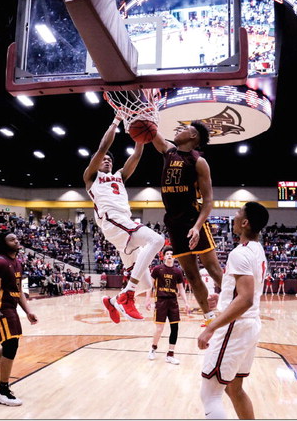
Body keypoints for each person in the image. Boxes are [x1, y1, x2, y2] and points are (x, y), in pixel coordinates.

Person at [83, 114, 164, 322]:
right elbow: (102, 148)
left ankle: (112, 301)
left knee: (146, 283)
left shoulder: (119, 176)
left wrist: (142, 129)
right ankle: (128, 295)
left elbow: (137, 155)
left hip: (124, 226)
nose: (107, 160)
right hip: (114, 222)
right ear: (96, 162)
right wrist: (117, 120)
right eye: (104, 159)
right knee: (157, 240)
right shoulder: (92, 178)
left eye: (110, 159)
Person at [198, 202, 269, 420]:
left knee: (209, 395)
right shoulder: (258, 250)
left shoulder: (240, 253)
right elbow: (246, 293)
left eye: (238, 214)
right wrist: (224, 298)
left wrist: (211, 327)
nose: (235, 217)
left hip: (236, 326)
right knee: (234, 389)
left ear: (245, 223)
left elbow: (245, 299)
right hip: (250, 325)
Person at [152, 120, 223, 326]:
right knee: (191, 275)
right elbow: (152, 133)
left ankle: (238, 303)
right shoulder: (168, 151)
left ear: (193, 136)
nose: (179, 130)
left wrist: (198, 227)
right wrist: (144, 113)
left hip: (193, 219)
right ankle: (209, 317)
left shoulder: (199, 162)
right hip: (174, 223)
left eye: (185, 129)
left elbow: (208, 201)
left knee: (212, 268)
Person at [0, 231, 38, 406]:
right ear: (3, 243)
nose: (16, 240)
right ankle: (3, 390)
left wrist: (28, 311)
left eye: (16, 238)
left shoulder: (17, 263)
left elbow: (19, 290)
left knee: (10, 343)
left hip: (11, 308)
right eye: (11, 239)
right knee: (10, 345)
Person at [145, 246, 190, 365]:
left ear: (174, 256)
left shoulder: (178, 271)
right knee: (159, 329)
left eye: (171, 254)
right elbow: (150, 285)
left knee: (175, 328)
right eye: (167, 254)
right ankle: (153, 348)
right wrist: (147, 299)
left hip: (173, 302)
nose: (170, 255)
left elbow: (181, 288)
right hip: (161, 301)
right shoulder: (157, 269)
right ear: (163, 256)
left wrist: (186, 302)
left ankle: (170, 354)